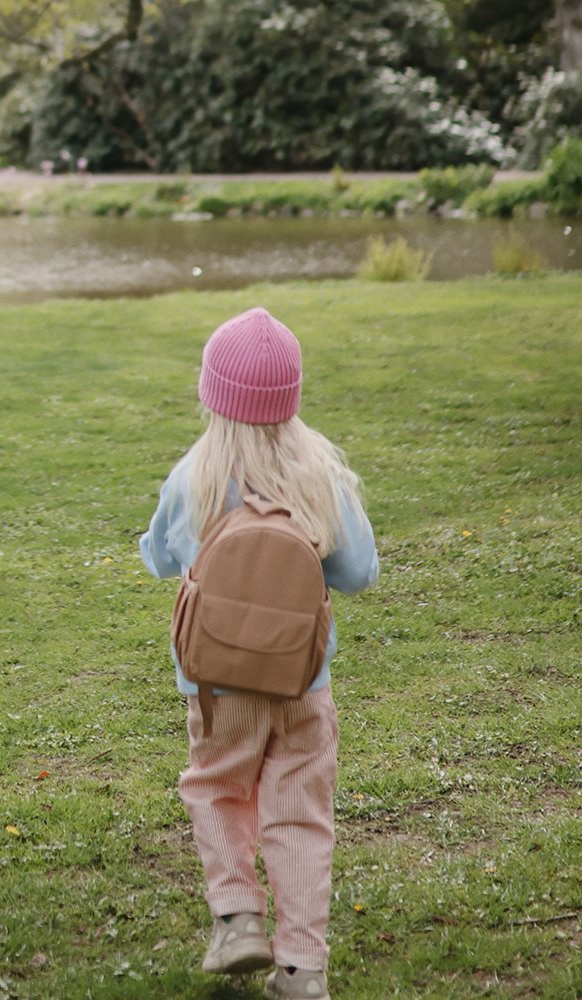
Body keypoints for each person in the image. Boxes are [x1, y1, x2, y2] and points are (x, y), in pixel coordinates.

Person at [139, 307, 378, 1000]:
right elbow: (359, 571)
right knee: (299, 811)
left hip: (214, 687)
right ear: (292, 398)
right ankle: (302, 969)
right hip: (303, 682)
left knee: (216, 785)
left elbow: (161, 556)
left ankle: (239, 917)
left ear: (212, 395)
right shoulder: (318, 473)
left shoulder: (196, 475)